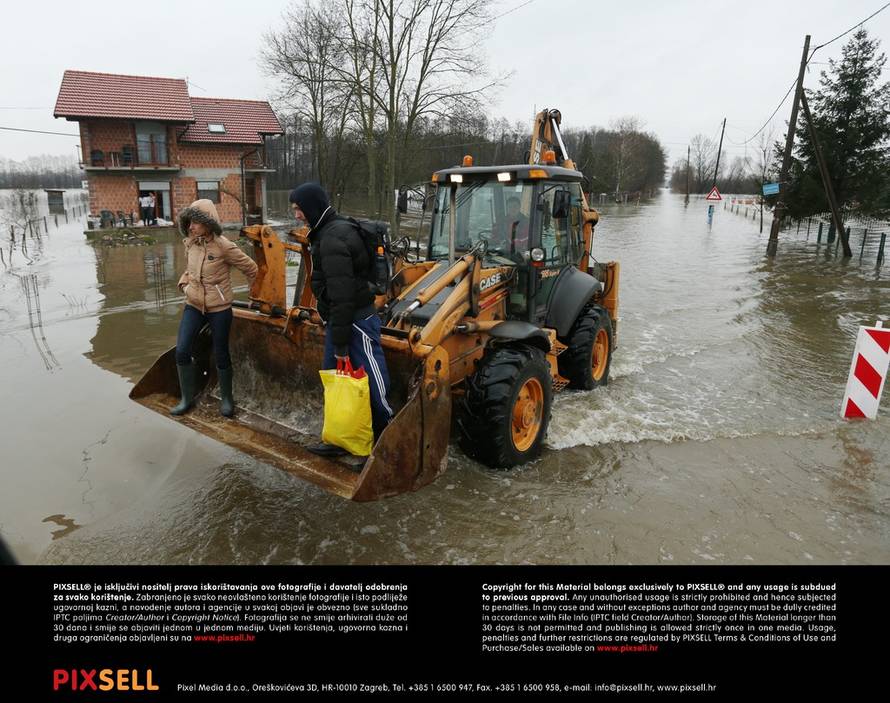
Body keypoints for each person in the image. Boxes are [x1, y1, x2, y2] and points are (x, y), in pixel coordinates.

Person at [289, 182, 393, 457]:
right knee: (335, 380)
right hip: (340, 322)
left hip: (356, 322)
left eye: (299, 209)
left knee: (370, 381)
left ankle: (385, 439)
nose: (296, 215)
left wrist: (342, 345)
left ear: (311, 207)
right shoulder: (325, 233)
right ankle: (340, 438)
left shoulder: (334, 239)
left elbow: (343, 297)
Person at [172, 199, 257, 417]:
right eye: (189, 222)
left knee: (221, 353)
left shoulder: (224, 246)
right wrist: (183, 284)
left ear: (207, 223)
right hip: (193, 304)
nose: (191, 227)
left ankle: (227, 399)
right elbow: (189, 270)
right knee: (182, 350)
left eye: (196, 222)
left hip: (219, 308)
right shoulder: (190, 243)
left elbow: (251, 268)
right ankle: (186, 399)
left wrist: (254, 295)